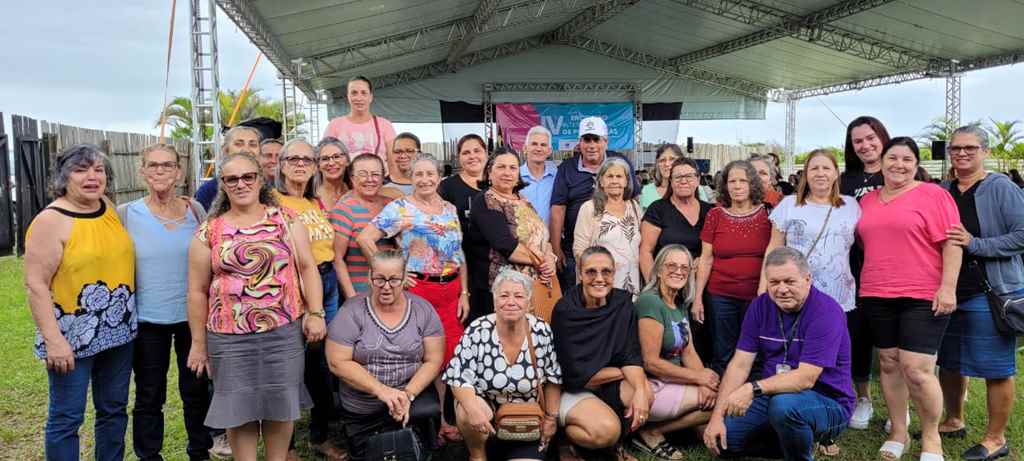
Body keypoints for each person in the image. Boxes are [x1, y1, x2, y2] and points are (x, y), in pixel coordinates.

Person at [186, 152, 327, 461]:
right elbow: (197, 291)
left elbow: (306, 267)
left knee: (280, 405)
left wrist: (315, 312)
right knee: (239, 409)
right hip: (228, 337)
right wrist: (198, 344)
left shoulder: (286, 220)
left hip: (283, 332)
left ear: (260, 180)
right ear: (223, 185)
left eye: (248, 176)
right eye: (232, 179)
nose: (241, 184)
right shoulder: (209, 231)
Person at [24, 144, 136, 461]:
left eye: (98, 169)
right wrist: (54, 341)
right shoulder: (51, 221)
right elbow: (36, 285)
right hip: (70, 337)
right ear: (64, 177)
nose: (91, 177)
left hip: (118, 333)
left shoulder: (108, 207)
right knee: (67, 418)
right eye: (81, 169)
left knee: (113, 411)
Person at [856, 137, 962, 461]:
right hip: (876, 292)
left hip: (923, 294)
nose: (898, 165)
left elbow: (952, 244)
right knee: (888, 364)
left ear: (917, 164)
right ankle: (898, 431)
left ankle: (931, 439)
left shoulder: (935, 196)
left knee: (917, 369)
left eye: (906, 159)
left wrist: (948, 287)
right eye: (893, 158)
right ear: (881, 161)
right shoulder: (868, 201)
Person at [358, 153, 470, 442]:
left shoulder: (449, 209)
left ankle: (447, 419)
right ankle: (425, 422)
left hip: (452, 290)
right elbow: (365, 238)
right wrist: (392, 270)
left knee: (449, 356)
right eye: (418, 174)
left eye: (430, 174)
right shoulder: (400, 208)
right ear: (411, 178)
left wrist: (465, 293)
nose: (424, 180)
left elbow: (459, 253)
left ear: (439, 176)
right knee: (422, 355)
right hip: (418, 290)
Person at [703, 247, 854, 461]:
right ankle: (789, 440)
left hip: (828, 401)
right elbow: (739, 365)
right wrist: (717, 417)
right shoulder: (759, 306)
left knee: (784, 407)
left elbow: (805, 379)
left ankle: (801, 453)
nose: (781, 289)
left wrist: (751, 388)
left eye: (789, 281)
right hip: (773, 396)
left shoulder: (826, 312)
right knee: (727, 442)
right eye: (774, 282)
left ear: (807, 279)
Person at [117, 144, 212, 461]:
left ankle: (200, 451)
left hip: (192, 318)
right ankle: (149, 455)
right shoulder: (126, 215)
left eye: (167, 165)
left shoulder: (196, 211)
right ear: (142, 171)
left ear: (179, 172)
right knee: (148, 395)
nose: (160, 171)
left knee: (196, 391)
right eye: (153, 166)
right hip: (147, 321)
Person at [938, 126, 1024, 461]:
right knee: (949, 362)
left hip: (990, 292)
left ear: (984, 151)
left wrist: (977, 244)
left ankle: (995, 438)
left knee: (996, 367)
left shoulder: (1001, 187)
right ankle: (954, 418)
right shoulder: (944, 189)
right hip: (948, 290)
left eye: (970, 148)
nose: (961, 153)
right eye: (955, 148)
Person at [325, 250, 446, 461]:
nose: (386, 286)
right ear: (369, 276)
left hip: (411, 399)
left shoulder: (422, 310)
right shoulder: (352, 311)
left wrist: (407, 394)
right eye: (379, 279)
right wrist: (382, 391)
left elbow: (434, 359)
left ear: (404, 277)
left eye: (394, 279)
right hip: (365, 403)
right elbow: (337, 362)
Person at [271, 139, 346, 459]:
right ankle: (284, 447)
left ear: (314, 166)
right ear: (281, 165)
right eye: (293, 159)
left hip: (326, 281)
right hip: (296, 284)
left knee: (320, 366)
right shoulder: (272, 201)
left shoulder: (314, 203)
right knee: (290, 366)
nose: (300, 164)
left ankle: (319, 435)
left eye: (307, 159)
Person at [444, 269, 564, 461]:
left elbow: (553, 379)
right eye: (504, 295)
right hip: (486, 419)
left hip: (525, 421)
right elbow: (457, 377)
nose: (511, 302)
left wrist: (551, 418)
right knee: (467, 409)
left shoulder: (541, 331)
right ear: (494, 300)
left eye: (519, 296)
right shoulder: (478, 329)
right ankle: (478, 454)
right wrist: (473, 410)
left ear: (528, 302)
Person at [551, 246, 651, 460]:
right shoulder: (565, 311)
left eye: (606, 271)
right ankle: (567, 441)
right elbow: (578, 375)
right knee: (606, 430)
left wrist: (641, 389)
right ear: (579, 273)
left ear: (614, 273)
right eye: (591, 272)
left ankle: (615, 444)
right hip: (572, 389)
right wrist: (625, 372)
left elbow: (630, 354)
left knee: (644, 393)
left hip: (604, 382)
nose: (599, 278)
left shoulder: (623, 303)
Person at [632, 245, 717, 460]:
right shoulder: (650, 302)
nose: (678, 271)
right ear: (659, 270)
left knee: (716, 391)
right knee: (719, 401)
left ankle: (678, 427)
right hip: (652, 386)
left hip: (675, 381)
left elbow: (689, 352)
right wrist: (699, 379)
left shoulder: (678, 304)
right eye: (671, 265)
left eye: (684, 268)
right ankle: (651, 431)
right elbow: (651, 362)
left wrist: (704, 383)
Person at [836, 115, 892, 429]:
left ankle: (899, 406)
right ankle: (863, 399)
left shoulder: (902, 171)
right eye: (858, 141)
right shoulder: (844, 182)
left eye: (871, 137)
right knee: (857, 337)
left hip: (894, 271)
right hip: (854, 272)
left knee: (892, 344)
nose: (866, 145)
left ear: (882, 137)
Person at [693, 160, 772, 375]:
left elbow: (773, 255)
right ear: (725, 186)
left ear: (752, 184)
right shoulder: (714, 215)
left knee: (755, 351)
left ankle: (751, 400)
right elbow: (706, 258)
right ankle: (721, 401)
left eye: (743, 181)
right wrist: (698, 297)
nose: (737, 186)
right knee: (722, 352)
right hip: (720, 296)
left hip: (757, 296)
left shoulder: (769, 215)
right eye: (732, 181)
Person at [550, 116, 641, 294]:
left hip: (625, 263)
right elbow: (558, 209)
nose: (591, 145)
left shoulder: (620, 162)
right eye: (587, 139)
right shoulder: (566, 168)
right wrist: (555, 248)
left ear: (605, 141)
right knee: (584, 298)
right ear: (580, 143)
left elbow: (634, 197)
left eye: (596, 139)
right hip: (577, 249)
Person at [471, 148, 557, 320]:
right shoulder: (486, 200)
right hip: (503, 291)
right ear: (489, 172)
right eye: (501, 167)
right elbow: (505, 245)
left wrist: (550, 258)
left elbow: (542, 237)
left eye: (512, 168)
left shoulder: (522, 200)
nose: (507, 173)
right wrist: (542, 261)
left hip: (534, 286)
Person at [439, 134, 492, 322]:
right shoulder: (447, 187)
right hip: (463, 268)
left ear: (486, 154)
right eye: (466, 152)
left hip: (495, 267)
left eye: (477, 151)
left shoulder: (497, 183)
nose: (472, 156)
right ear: (459, 157)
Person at [573, 158, 643, 295]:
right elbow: (579, 250)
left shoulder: (634, 207)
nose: (615, 181)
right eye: (609, 176)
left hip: (631, 286)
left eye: (619, 176)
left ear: (626, 181)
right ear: (601, 181)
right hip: (599, 286)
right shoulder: (589, 208)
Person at [328, 153, 393, 297]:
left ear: (383, 177)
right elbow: (337, 260)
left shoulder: (392, 206)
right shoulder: (343, 210)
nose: (370, 179)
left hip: (393, 292)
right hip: (361, 292)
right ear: (352, 178)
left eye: (375, 174)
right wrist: (351, 297)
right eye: (362, 174)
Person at [640, 157, 713, 282]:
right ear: (671, 181)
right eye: (678, 177)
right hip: (665, 283)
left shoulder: (710, 212)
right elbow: (645, 252)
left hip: (700, 283)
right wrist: (653, 288)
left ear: (698, 180)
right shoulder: (658, 209)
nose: (683, 181)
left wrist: (702, 259)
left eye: (689, 176)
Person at [323, 76, 397, 173]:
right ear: (348, 96)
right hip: (344, 184)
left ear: (370, 97)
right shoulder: (334, 125)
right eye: (354, 93)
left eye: (363, 93)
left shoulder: (385, 125)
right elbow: (325, 159)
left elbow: (393, 163)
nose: (359, 98)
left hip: (376, 184)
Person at [194, 125, 262, 210]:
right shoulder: (208, 191)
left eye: (253, 144)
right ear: (225, 150)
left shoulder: (270, 189)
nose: (246, 149)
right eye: (239, 144)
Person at [519, 126, 558, 227]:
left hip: (552, 240)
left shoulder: (558, 176)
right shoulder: (515, 177)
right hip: (522, 240)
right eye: (534, 144)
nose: (538, 148)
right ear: (525, 148)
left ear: (549, 151)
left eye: (543, 145)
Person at [639, 144, 682, 210]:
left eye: (672, 159)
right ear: (657, 164)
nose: (667, 164)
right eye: (662, 160)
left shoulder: (695, 189)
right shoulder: (646, 190)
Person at [380, 132, 418, 199]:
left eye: (409, 151)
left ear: (419, 154)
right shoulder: (380, 184)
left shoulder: (430, 183)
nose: (403, 156)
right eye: (397, 152)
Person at [315, 137, 349, 208]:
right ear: (318, 165)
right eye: (325, 159)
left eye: (336, 157)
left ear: (347, 161)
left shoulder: (357, 192)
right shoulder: (311, 196)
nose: (331, 163)